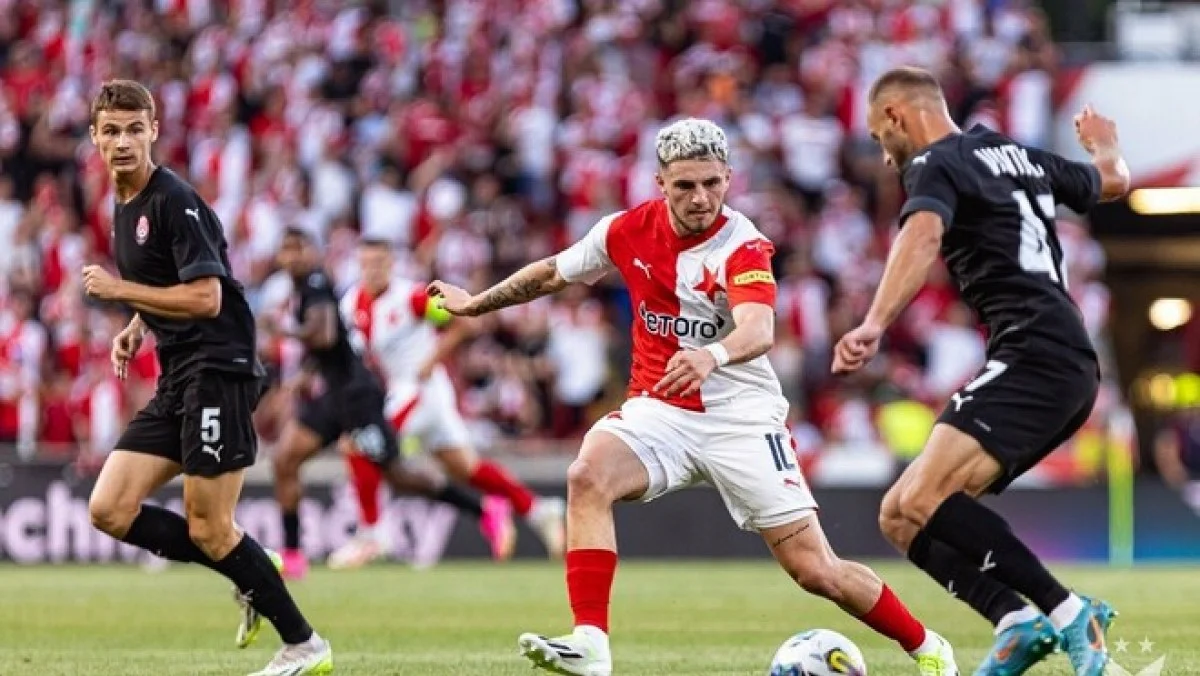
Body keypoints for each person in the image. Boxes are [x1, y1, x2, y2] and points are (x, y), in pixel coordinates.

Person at [430, 118, 959, 676]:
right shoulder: (625, 230)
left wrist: (712, 355)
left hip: (742, 418)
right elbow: (551, 274)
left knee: (816, 571)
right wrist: (476, 304)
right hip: (660, 409)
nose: (701, 197)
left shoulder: (743, 245)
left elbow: (759, 329)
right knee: (587, 475)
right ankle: (590, 643)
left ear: (728, 177)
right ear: (660, 182)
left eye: (711, 183)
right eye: (685, 185)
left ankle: (928, 647)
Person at [832, 66, 1131, 676]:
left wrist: (874, 323)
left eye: (881, 138)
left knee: (923, 495)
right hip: (1059, 360)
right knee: (899, 514)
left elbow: (922, 236)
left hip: (1035, 354)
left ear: (896, 116)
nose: (886, 158)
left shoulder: (934, 162)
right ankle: (1013, 621)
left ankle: (1071, 613)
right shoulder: (1016, 155)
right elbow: (1113, 181)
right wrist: (1103, 144)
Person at [81, 79, 332, 676]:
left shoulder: (174, 199)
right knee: (109, 508)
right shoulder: (124, 205)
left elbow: (206, 296)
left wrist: (119, 292)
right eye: (111, 131)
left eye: (134, 129)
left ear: (154, 131)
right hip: (178, 374)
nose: (123, 142)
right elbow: (167, 281)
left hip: (218, 368)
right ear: (95, 138)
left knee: (211, 527)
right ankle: (248, 566)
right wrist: (137, 324)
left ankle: (305, 645)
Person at [268, 228, 504, 578]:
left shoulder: (319, 287)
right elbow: (336, 344)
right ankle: (293, 555)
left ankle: (475, 508)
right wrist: (304, 376)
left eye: (298, 249)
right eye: (286, 250)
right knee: (285, 459)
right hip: (334, 395)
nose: (291, 257)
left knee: (397, 475)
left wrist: (282, 330)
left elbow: (324, 335)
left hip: (358, 397)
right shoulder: (346, 296)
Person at [326, 238, 566, 570]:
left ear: (391, 264)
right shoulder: (352, 303)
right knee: (464, 468)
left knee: (358, 443)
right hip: (412, 393)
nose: (373, 270)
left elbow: (465, 324)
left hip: (419, 388)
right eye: (366, 263)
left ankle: (372, 534)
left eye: (379, 263)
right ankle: (538, 510)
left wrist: (433, 358)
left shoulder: (411, 298)